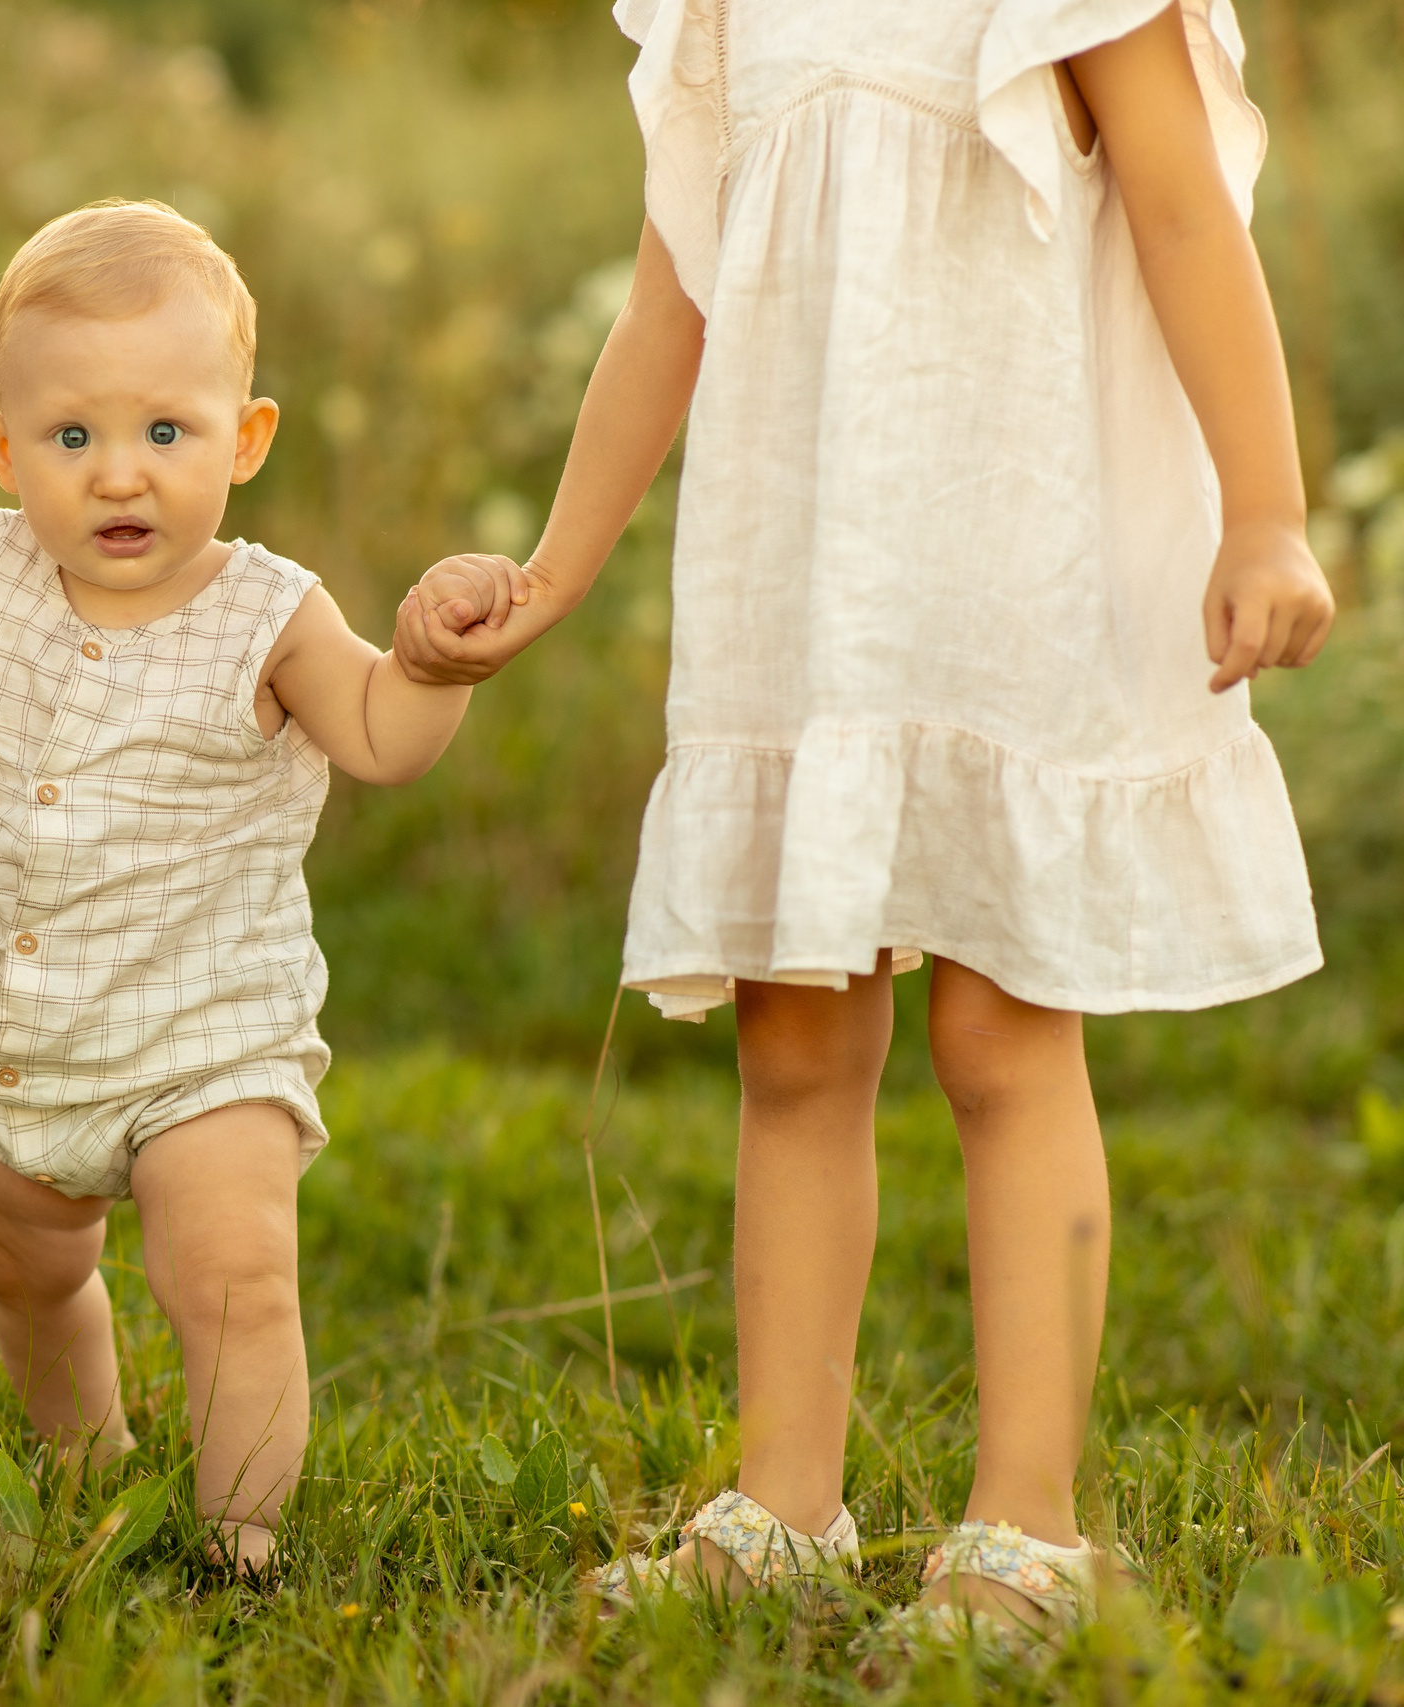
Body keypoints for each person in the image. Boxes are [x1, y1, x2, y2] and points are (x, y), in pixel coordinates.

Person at [398, 0, 1332, 1648]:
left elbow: (1188, 213)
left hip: (1011, 583)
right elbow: (672, 293)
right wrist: (552, 569)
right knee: (796, 1042)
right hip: (805, 593)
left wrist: (1264, 509)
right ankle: (786, 1508)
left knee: (1002, 1038)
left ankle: (1026, 1533)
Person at [0, 201, 473, 1574]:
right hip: (30, 1047)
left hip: (210, 1040)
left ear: (244, 438)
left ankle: (240, 1535)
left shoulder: (270, 613)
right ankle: (85, 1457)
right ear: (4, 449)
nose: (120, 476)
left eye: (166, 432)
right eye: (72, 438)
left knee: (233, 1283)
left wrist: (431, 669)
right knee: (29, 1272)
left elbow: (381, 740)